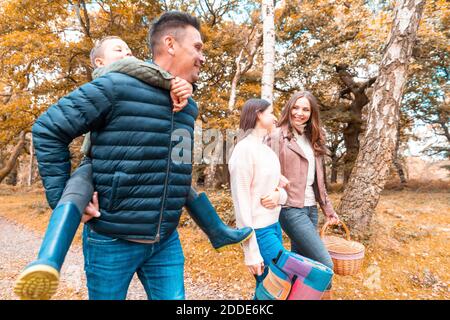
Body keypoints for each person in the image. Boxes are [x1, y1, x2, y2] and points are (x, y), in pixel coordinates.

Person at [18, 11, 251, 300]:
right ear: (170, 44)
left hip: (165, 241)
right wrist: (62, 196)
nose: (202, 57)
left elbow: (178, 165)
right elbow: (48, 129)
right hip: (111, 239)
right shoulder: (115, 86)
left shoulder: (188, 107)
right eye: (198, 48)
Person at [265, 91, 340, 300]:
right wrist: (275, 181)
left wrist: (328, 209)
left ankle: (278, 294)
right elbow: (261, 167)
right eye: (296, 107)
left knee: (301, 264)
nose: (300, 113)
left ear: (312, 113)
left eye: (305, 109)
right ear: (289, 108)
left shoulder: (314, 138)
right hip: (289, 208)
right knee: (324, 265)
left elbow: (319, 179)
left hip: (310, 209)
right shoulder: (276, 135)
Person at [228, 99, 289, 290]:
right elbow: (241, 203)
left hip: (274, 226)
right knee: (279, 285)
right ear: (258, 115)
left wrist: (280, 195)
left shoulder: (266, 150)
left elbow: (282, 188)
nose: (275, 118)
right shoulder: (243, 150)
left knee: (271, 289)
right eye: (271, 113)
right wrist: (251, 252)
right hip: (259, 232)